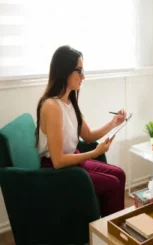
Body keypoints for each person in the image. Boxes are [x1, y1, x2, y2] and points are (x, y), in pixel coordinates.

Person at [35, 45, 126, 217]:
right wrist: (94, 153)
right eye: (80, 70)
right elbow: (58, 161)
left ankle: (113, 230)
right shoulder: (51, 106)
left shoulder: (69, 101)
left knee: (119, 175)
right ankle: (108, 236)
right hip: (57, 173)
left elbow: (89, 136)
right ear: (65, 71)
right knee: (113, 183)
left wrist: (113, 123)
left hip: (73, 163)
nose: (83, 76)